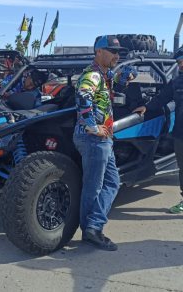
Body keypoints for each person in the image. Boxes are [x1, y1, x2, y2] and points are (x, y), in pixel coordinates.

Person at [73, 35, 128, 251]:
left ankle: (93, 226)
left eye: (118, 52)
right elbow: (82, 95)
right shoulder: (93, 75)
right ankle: (91, 231)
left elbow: (117, 83)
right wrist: (92, 126)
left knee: (112, 182)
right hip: (93, 138)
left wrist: (126, 77)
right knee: (93, 187)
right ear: (98, 52)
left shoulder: (105, 75)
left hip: (103, 139)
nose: (117, 55)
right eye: (112, 51)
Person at [133, 46, 183, 214]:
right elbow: (162, 97)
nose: (181, 65)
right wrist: (147, 107)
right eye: (179, 62)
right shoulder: (176, 82)